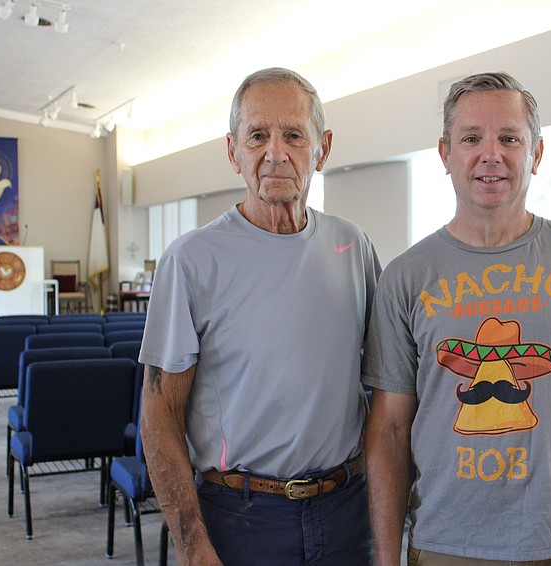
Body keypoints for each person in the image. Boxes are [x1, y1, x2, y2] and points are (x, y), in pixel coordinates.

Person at [363, 72, 551, 565]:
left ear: (537, 153)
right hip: (448, 545)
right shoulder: (406, 277)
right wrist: (384, 557)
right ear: (445, 154)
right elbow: (389, 430)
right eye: (471, 138)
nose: (492, 154)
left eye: (510, 138)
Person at [140, 67, 381, 566]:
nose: (276, 153)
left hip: (346, 510)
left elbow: (386, 391)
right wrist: (191, 544)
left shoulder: (354, 247)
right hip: (239, 517)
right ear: (233, 151)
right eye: (257, 136)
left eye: (294, 135)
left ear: (323, 147)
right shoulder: (191, 260)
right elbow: (159, 415)